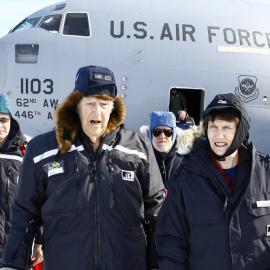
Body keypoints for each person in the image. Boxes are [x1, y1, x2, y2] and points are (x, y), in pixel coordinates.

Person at [1, 66, 165, 270]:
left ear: (113, 107)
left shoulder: (137, 148)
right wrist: (12, 264)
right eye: (90, 103)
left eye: (104, 104)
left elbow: (157, 211)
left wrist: (160, 264)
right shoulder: (43, 150)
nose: (97, 112)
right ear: (77, 105)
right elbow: (25, 212)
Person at [156, 93, 270, 270]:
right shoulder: (186, 177)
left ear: (240, 131)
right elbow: (171, 241)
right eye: (213, 127)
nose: (219, 136)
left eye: (227, 128)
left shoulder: (265, 174)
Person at [0, 94, 43, 268]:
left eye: (3, 120)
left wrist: (40, 241)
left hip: (16, 249)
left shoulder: (27, 153)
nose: (0, 126)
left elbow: (41, 199)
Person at [148, 111, 183, 185]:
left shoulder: (184, 163)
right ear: (151, 135)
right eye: (157, 132)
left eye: (168, 132)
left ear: (173, 135)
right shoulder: (142, 162)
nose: (162, 136)